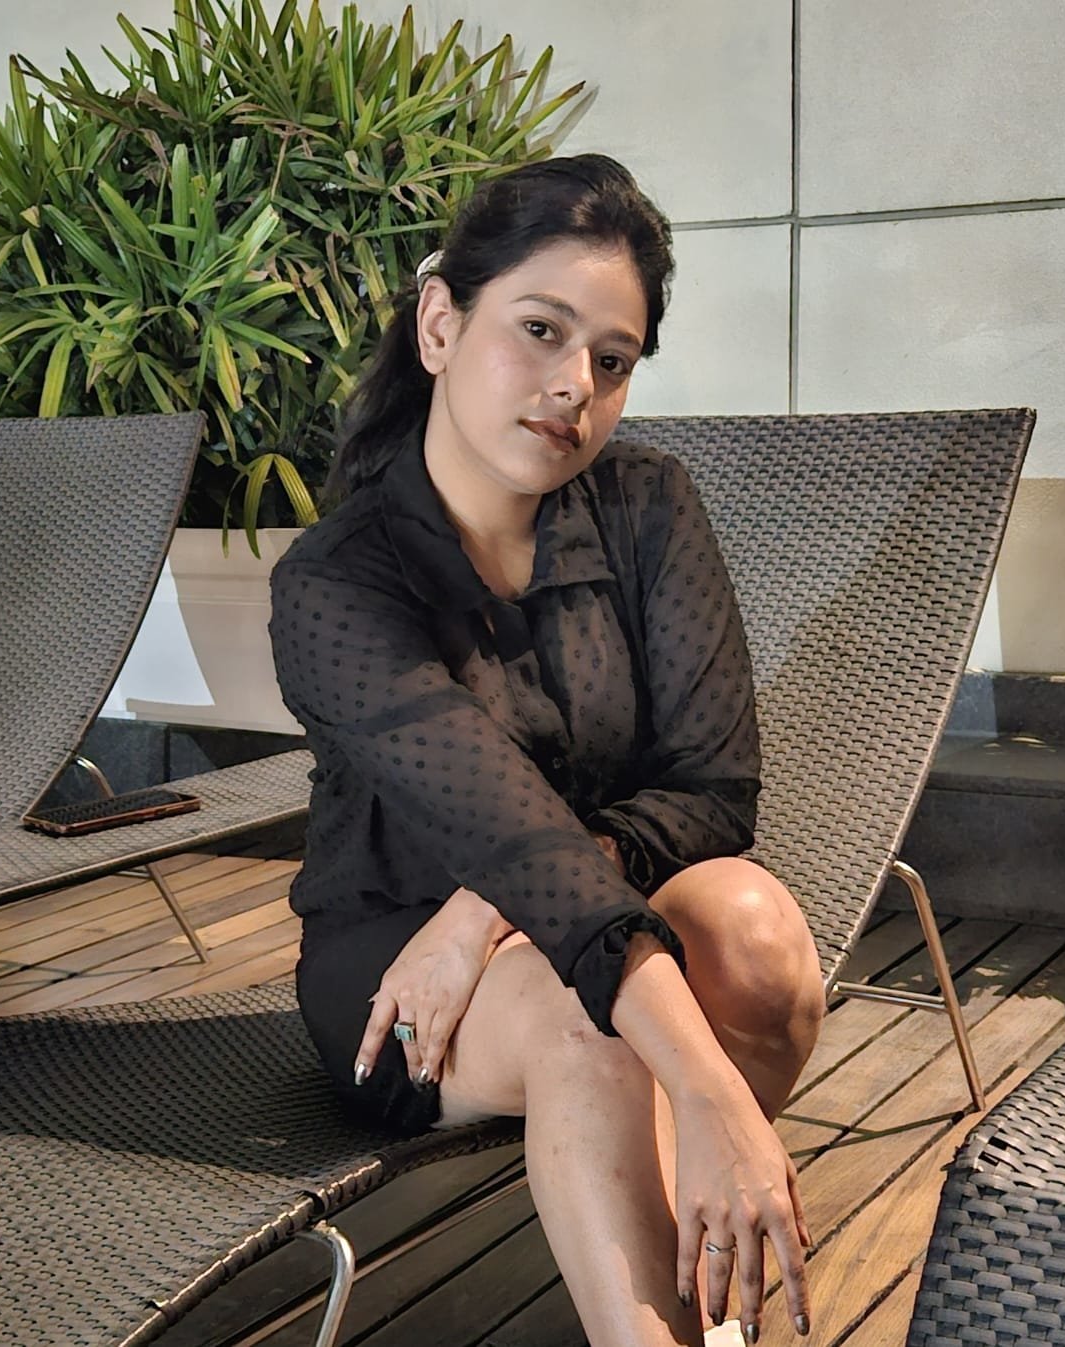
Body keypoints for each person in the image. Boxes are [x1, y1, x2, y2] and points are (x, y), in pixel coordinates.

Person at [269, 153, 825, 1347]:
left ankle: (679, 1239)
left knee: (756, 929)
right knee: (593, 1022)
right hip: (396, 962)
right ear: (439, 324)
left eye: (611, 361)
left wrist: (480, 914)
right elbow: (508, 835)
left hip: (521, 912)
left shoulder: (646, 506)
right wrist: (707, 1087)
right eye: (539, 330)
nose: (574, 384)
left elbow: (714, 792)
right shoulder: (335, 584)